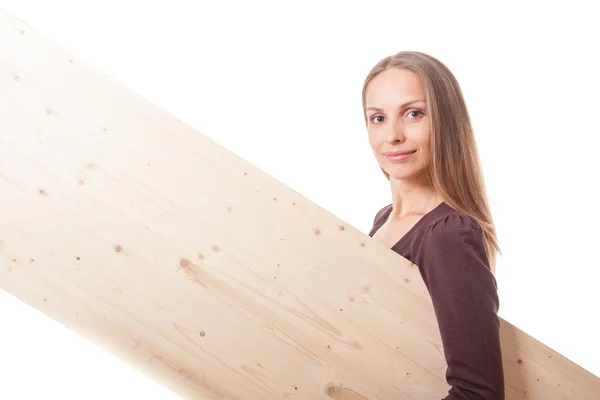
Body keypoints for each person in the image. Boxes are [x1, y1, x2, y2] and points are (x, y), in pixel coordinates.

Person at [363, 51, 505, 399]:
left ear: (446, 121)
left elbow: (478, 394)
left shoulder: (448, 233)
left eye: (414, 114)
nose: (392, 135)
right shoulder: (384, 219)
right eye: (378, 118)